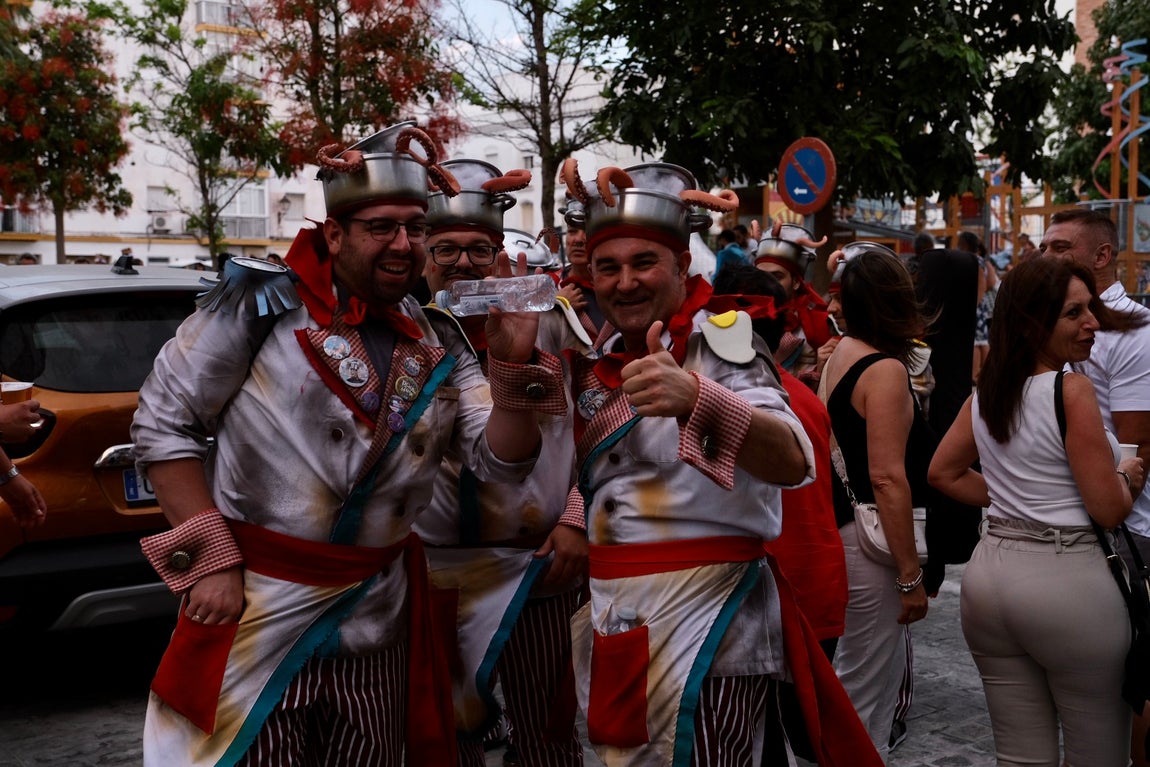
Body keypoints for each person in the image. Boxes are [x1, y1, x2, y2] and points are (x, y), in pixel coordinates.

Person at [130, 123, 564, 767]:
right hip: (256, 606)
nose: (402, 244)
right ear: (334, 234)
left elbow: (499, 461)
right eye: (379, 227)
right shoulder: (259, 306)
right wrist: (211, 562)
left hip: (376, 619)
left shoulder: (438, 335)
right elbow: (165, 424)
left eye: (415, 228)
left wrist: (511, 369)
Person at [557, 159, 879, 766]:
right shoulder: (596, 353)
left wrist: (700, 398)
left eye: (644, 263)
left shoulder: (721, 341)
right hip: (619, 624)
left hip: (712, 628)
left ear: (682, 267)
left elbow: (791, 458)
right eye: (608, 267)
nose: (625, 282)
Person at [928, 257, 1145, 766]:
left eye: (1090, 308)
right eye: (1074, 313)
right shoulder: (1071, 390)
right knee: (1098, 753)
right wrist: (1127, 477)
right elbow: (1108, 509)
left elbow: (944, 473)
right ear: (1030, 322)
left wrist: (1011, 499)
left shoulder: (986, 396)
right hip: (1069, 583)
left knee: (1020, 756)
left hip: (990, 579)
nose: (1092, 322)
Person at [414, 157, 586, 766]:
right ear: (423, 255)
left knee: (547, 735)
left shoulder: (553, 327)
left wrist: (574, 514)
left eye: (480, 251)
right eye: (446, 250)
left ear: (500, 255)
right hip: (433, 572)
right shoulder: (404, 334)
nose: (463, 263)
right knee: (446, 733)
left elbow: (596, 425)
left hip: (539, 566)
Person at [711, 263, 848, 763]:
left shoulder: (715, 400)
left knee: (758, 742)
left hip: (766, 593)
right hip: (815, 582)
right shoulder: (806, 397)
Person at [1040, 207, 1150, 764]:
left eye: (1061, 248)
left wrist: (1114, 513)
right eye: (1045, 247)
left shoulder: (1134, 332)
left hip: (1128, 524)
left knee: (1134, 678)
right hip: (1072, 520)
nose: (1048, 256)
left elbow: (1138, 447)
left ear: (1102, 256)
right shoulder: (1050, 319)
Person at [819, 244, 933, 759]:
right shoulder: (884, 370)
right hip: (870, 546)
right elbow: (887, 478)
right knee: (863, 690)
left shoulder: (843, 353)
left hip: (842, 534)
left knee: (856, 681)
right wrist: (910, 575)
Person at [753, 220, 832, 390]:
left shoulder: (819, 325)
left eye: (776, 276)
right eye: (760, 276)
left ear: (796, 282)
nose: (766, 284)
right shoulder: (739, 318)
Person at [557, 193, 608, 339]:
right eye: (572, 231)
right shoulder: (549, 285)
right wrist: (555, 308)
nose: (578, 240)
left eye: (587, 230)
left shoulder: (621, 286)